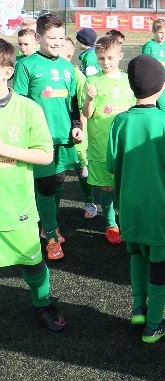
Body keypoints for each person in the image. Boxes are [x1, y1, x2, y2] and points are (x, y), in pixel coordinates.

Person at [107, 54, 165, 343]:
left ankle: (138, 310)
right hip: (160, 206)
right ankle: (153, 324)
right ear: (162, 86)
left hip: (129, 204)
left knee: (137, 255)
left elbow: (111, 164)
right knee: (160, 262)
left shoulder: (120, 121)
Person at [0, 38, 65, 331]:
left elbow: (45, 155)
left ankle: (43, 303)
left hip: (17, 208)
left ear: (7, 71)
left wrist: (5, 150)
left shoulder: (27, 109)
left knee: (33, 263)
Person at [13, 13, 82, 261]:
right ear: (38, 37)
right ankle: (51, 236)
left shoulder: (67, 67)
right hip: (39, 139)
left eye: (61, 38)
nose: (57, 42)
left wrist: (76, 125)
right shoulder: (26, 65)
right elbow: (19, 103)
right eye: (52, 38)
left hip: (63, 137)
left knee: (59, 181)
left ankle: (47, 225)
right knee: (45, 185)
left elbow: (72, 102)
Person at [83, 36, 136, 245]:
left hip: (126, 144)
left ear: (120, 56)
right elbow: (87, 113)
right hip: (102, 145)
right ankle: (111, 224)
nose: (106, 62)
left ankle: (127, 221)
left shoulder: (129, 80)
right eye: (101, 58)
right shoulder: (93, 81)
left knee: (126, 186)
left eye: (110, 57)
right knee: (107, 187)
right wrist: (89, 99)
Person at [60, 37, 96, 221]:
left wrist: (80, 130)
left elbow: (83, 108)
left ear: (68, 56)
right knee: (56, 171)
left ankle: (90, 202)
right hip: (58, 131)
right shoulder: (52, 74)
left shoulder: (78, 77)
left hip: (77, 132)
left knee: (81, 169)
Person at [141, 19, 165, 112]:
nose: (164, 35)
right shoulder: (149, 46)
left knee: (160, 110)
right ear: (154, 31)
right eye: (161, 32)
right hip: (155, 84)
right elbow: (144, 64)